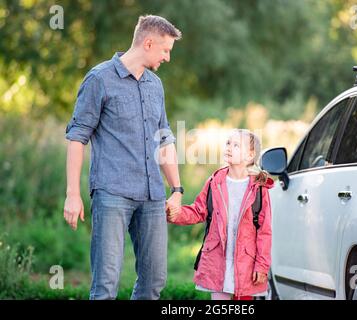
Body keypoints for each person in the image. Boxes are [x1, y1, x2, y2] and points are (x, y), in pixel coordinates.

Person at [63, 15, 183, 300]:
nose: (168, 57)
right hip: (112, 192)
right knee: (106, 283)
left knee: (154, 281)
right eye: (165, 50)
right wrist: (72, 194)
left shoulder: (155, 85)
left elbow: (164, 138)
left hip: (152, 195)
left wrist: (176, 190)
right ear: (148, 42)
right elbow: (77, 137)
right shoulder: (99, 79)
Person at [167, 129, 274, 300]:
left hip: (246, 263)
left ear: (250, 155)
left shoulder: (259, 188)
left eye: (236, 145)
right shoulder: (214, 182)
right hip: (218, 260)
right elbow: (198, 211)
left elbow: (264, 231)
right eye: (228, 143)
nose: (229, 147)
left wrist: (262, 265)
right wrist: (174, 214)